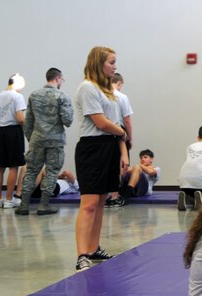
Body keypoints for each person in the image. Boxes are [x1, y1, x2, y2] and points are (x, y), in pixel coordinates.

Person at [73, 46, 129, 272]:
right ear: (99, 63)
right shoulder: (87, 88)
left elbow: (117, 126)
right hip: (92, 148)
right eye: (111, 62)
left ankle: (94, 248)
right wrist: (122, 134)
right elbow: (101, 122)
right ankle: (82, 254)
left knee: (101, 202)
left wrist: (123, 152)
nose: (115, 66)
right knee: (89, 203)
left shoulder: (109, 92)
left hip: (110, 146)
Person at [17, 67, 74, 216]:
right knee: (52, 172)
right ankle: (44, 205)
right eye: (62, 79)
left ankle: (23, 205)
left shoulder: (34, 95)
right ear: (58, 78)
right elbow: (68, 121)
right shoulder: (62, 96)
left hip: (37, 139)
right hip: (55, 141)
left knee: (31, 171)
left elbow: (28, 122)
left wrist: (32, 139)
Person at [0, 73, 28, 209]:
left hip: (0, 132)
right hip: (14, 132)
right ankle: (9, 200)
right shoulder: (17, 96)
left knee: (0, 167)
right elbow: (20, 118)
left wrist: (3, 120)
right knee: (13, 166)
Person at [103, 73, 134, 207]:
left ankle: (106, 194)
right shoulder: (121, 97)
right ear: (119, 83)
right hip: (119, 130)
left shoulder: (102, 94)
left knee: (107, 163)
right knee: (121, 164)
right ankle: (116, 195)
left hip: (103, 131)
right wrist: (130, 137)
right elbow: (127, 120)